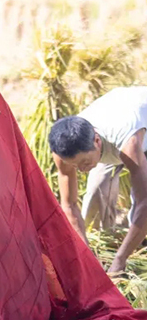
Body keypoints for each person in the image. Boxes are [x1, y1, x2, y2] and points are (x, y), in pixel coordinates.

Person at [48, 86, 147, 274]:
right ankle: (110, 244)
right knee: (94, 196)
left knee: (141, 208)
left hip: (139, 131)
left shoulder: (129, 144)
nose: (82, 170)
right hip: (109, 136)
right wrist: (86, 255)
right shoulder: (64, 151)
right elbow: (69, 205)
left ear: (97, 141)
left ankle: (134, 248)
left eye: (84, 163)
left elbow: (145, 203)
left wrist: (120, 259)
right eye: (76, 166)